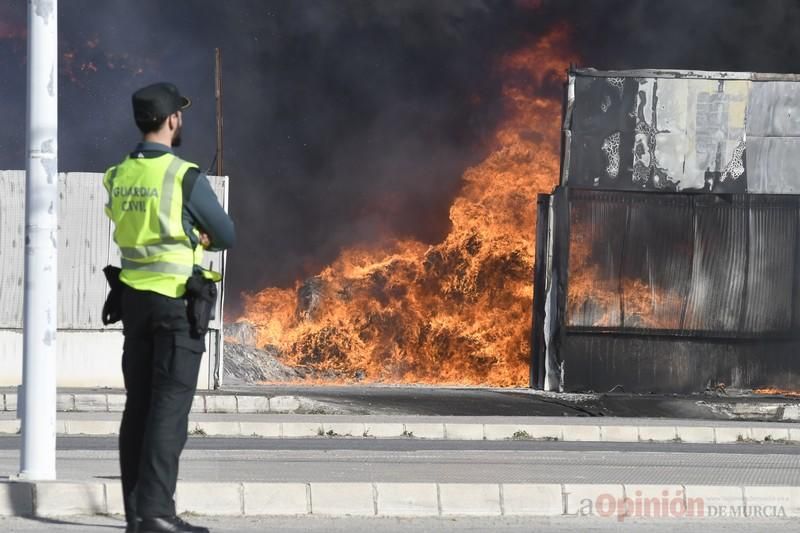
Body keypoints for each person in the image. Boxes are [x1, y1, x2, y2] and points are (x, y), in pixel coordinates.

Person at [103, 82, 235, 533]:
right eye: (180, 114)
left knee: (137, 407)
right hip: (176, 303)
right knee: (169, 409)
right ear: (172, 120)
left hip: (134, 302)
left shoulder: (118, 174)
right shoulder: (183, 176)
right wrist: (201, 236)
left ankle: (136, 514)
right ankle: (156, 513)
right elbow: (226, 234)